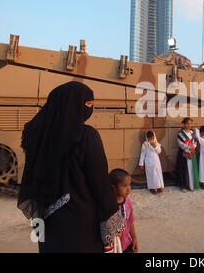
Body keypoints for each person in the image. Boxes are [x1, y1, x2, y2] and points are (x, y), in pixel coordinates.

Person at [17, 81, 124, 253]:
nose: (90, 108)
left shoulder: (36, 136)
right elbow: (100, 183)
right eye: (88, 104)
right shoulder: (86, 136)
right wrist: (112, 223)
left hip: (48, 223)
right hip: (82, 225)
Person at [109, 169, 138, 253]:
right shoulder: (110, 206)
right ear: (114, 188)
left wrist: (134, 238)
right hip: (114, 248)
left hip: (126, 244)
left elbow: (130, 222)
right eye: (125, 186)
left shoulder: (128, 202)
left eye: (129, 185)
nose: (129, 189)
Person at [176, 118, 200, 192]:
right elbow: (180, 143)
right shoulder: (180, 133)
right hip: (184, 153)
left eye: (190, 123)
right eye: (187, 123)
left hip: (192, 152)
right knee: (184, 169)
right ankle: (183, 186)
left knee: (192, 168)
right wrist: (188, 147)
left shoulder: (192, 132)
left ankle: (191, 185)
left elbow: (195, 141)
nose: (189, 125)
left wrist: (194, 146)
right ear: (184, 124)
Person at [139, 131, 164, 195]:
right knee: (151, 175)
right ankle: (152, 188)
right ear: (147, 138)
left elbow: (159, 152)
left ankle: (158, 187)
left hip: (156, 162)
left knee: (158, 175)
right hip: (149, 163)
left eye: (152, 138)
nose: (151, 139)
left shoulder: (156, 143)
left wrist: (155, 146)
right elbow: (142, 154)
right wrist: (141, 163)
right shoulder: (145, 144)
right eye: (149, 138)